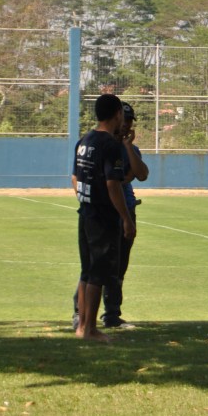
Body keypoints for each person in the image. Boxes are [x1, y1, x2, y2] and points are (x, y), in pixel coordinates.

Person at [71, 93, 135, 342]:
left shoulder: (84, 141)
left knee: (87, 272)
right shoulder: (110, 145)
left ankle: (82, 326)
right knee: (98, 275)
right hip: (103, 217)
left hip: (86, 213)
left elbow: (75, 178)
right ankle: (90, 330)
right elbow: (113, 185)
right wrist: (126, 218)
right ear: (117, 114)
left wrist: (85, 199)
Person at [101, 101, 149, 329]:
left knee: (120, 266)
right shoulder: (102, 145)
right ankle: (80, 311)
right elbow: (117, 180)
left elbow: (141, 174)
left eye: (130, 121)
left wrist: (128, 146)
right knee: (98, 265)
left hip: (127, 208)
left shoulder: (131, 149)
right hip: (106, 210)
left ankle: (112, 314)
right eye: (124, 120)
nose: (126, 125)